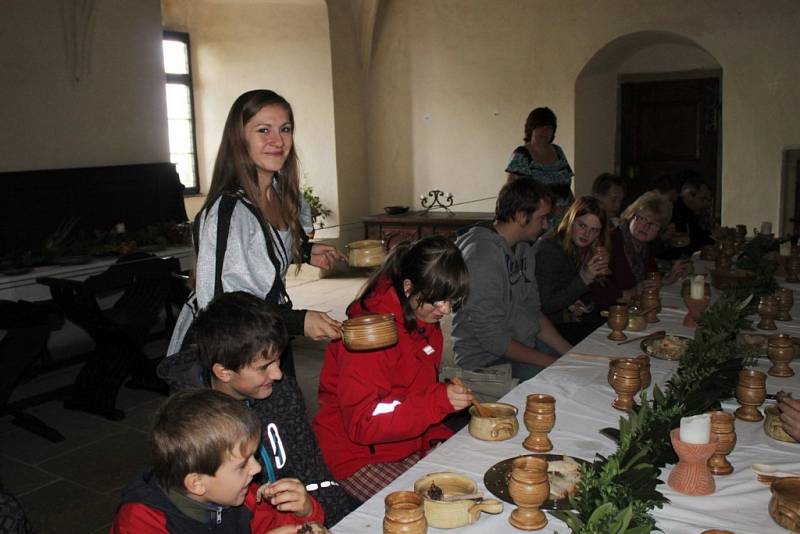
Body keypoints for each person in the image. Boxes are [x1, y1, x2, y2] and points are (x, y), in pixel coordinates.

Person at [167, 89, 344, 377]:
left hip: (268, 338)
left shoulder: (280, 194)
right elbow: (219, 308)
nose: (278, 140)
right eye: (264, 130)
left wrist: (305, 252)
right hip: (229, 355)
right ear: (239, 138)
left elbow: (262, 252)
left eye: (285, 129)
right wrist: (297, 322)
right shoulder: (227, 211)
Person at [158, 291, 356, 527]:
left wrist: (322, 511)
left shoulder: (282, 393)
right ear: (223, 372)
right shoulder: (189, 425)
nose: (278, 374)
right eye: (264, 367)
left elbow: (313, 470)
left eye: (278, 360)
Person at [312, 236, 473, 503]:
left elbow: (414, 394)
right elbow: (364, 424)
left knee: (465, 487)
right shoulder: (371, 335)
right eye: (437, 301)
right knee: (422, 510)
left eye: (452, 301)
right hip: (357, 458)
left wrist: (434, 437)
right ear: (408, 287)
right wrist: (438, 403)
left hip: (404, 445)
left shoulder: (425, 324)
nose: (445, 310)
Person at [111, 389, 324, 533]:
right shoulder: (141, 522)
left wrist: (304, 511)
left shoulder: (244, 496)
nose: (257, 468)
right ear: (197, 483)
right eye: (242, 464)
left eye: (253, 456)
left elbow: (276, 525)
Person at [453, 179, 572, 382]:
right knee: (560, 381)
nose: (546, 225)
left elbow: (533, 313)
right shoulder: (482, 256)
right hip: (485, 362)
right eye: (542, 218)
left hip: (520, 346)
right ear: (520, 216)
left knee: (577, 370)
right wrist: (554, 363)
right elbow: (493, 338)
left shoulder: (524, 248)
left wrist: (572, 354)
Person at [592, 191, 690, 307]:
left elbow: (649, 279)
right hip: (609, 314)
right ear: (631, 216)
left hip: (632, 309)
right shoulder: (610, 242)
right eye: (642, 219)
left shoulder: (644, 247)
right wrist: (633, 292)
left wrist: (667, 280)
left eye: (654, 225)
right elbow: (597, 290)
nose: (646, 227)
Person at [534, 196, 609, 345]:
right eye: (582, 225)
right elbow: (546, 304)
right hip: (541, 329)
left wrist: (575, 304)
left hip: (561, 321)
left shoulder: (582, 248)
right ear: (571, 220)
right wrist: (585, 277)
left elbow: (568, 289)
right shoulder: (551, 249)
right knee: (602, 339)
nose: (586, 234)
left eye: (594, 230)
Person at [505, 107, 574, 225]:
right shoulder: (522, 155)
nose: (545, 131)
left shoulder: (558, 151)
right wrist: (550, 211)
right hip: (537, 223)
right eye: (540, 127)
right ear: (531, 128)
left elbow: (566, 187)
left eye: (549, 128)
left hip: (564, 221)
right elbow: (513, 194)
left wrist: (574, 208)